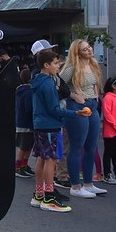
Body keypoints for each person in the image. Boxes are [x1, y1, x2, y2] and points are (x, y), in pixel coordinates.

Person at [30, 49, 88, 212]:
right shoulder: (48, 83)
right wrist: (75, 113)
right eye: (55, 63)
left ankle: (39, 194)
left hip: (40, 124)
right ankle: (48, 197)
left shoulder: (38, 79)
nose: (58, 66)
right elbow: (54, 109)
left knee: (41, 158)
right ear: (46, 65)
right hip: (50, 124)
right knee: (51, 160)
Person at [60, 39, 107, 199]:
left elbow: (95, 83)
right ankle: (75, 186)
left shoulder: (93, 64)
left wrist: (97, 97)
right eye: (85, 49)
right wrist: (73, 95)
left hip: (93, 104)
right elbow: (58, 84)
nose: (89, 50)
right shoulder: (71, 68)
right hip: (77, 106)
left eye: (89, 47)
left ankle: (88, 183)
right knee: (77, 146)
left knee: (92, 146)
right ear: (77, 53)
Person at [14, 68, 35, 178]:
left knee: (27, 145)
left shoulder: (20, 91)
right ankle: (18, 166)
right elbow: (29, 108)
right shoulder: (29, 92)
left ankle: (23, 165)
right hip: (27, 122)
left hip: (21, 121)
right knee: (24, 146)